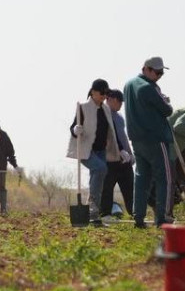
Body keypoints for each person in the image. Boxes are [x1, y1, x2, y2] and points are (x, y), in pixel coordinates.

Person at [67, 79, 128, 225]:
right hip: (85, 150)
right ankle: (93, 207)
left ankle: (93, 211)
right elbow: (73, 127)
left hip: (100, 150)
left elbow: (111, 131)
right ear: (93, 92)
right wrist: (76, 130)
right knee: (101, 168)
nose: (104, 96)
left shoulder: (106, 109)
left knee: (98, 177)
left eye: (106, 93)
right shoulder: (83, 107)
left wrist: (121, 149)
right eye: (102, 93)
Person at [123, 57, 174, 228]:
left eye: (161, 73)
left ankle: (138, 218)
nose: (159, 75)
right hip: (156, 139)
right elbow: (167, 110)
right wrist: (166, 101)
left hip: (137, 140)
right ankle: (163, 217)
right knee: (164, 179)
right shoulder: (149, 87)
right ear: (146, 69)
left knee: (141, 178)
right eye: (157, 72)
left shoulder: (129, 84)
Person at [100, 89, 135, 220]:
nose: (121, 105)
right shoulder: (102, 114)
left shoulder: (119, 117)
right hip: (109, 159)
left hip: (124, 161)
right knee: (107, 188)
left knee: (130, 188)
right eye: (120, 102)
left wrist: (130, 154)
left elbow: (123, 137)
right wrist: (118, 150)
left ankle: (135, 213)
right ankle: (105, 214)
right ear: (112, 99)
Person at [0, 113, 21, 215]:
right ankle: (2, 209)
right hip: (0, 166)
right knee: (1, 188)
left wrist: (15, 165)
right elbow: (10, 153)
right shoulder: (3, 134)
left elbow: (10, 153)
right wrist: (15, 165)